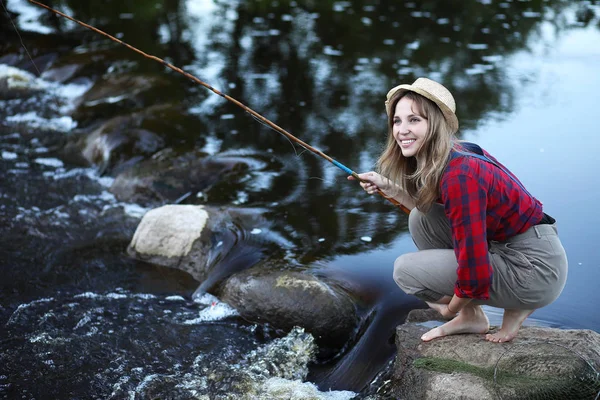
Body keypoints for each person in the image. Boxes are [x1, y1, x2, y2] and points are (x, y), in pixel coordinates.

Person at [348, 77, 568, 343]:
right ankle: (475, 317)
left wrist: (450, 310)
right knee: (422, 218)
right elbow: (446, 216)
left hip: (534, 269)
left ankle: (505, 305)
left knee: (405, 272)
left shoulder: (460, 176)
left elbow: (474, 272)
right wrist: (388, 188)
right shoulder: (456, 151)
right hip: (520, 248)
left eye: (414, 120)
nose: (402, 130)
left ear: (436, 125)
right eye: (397, 120)